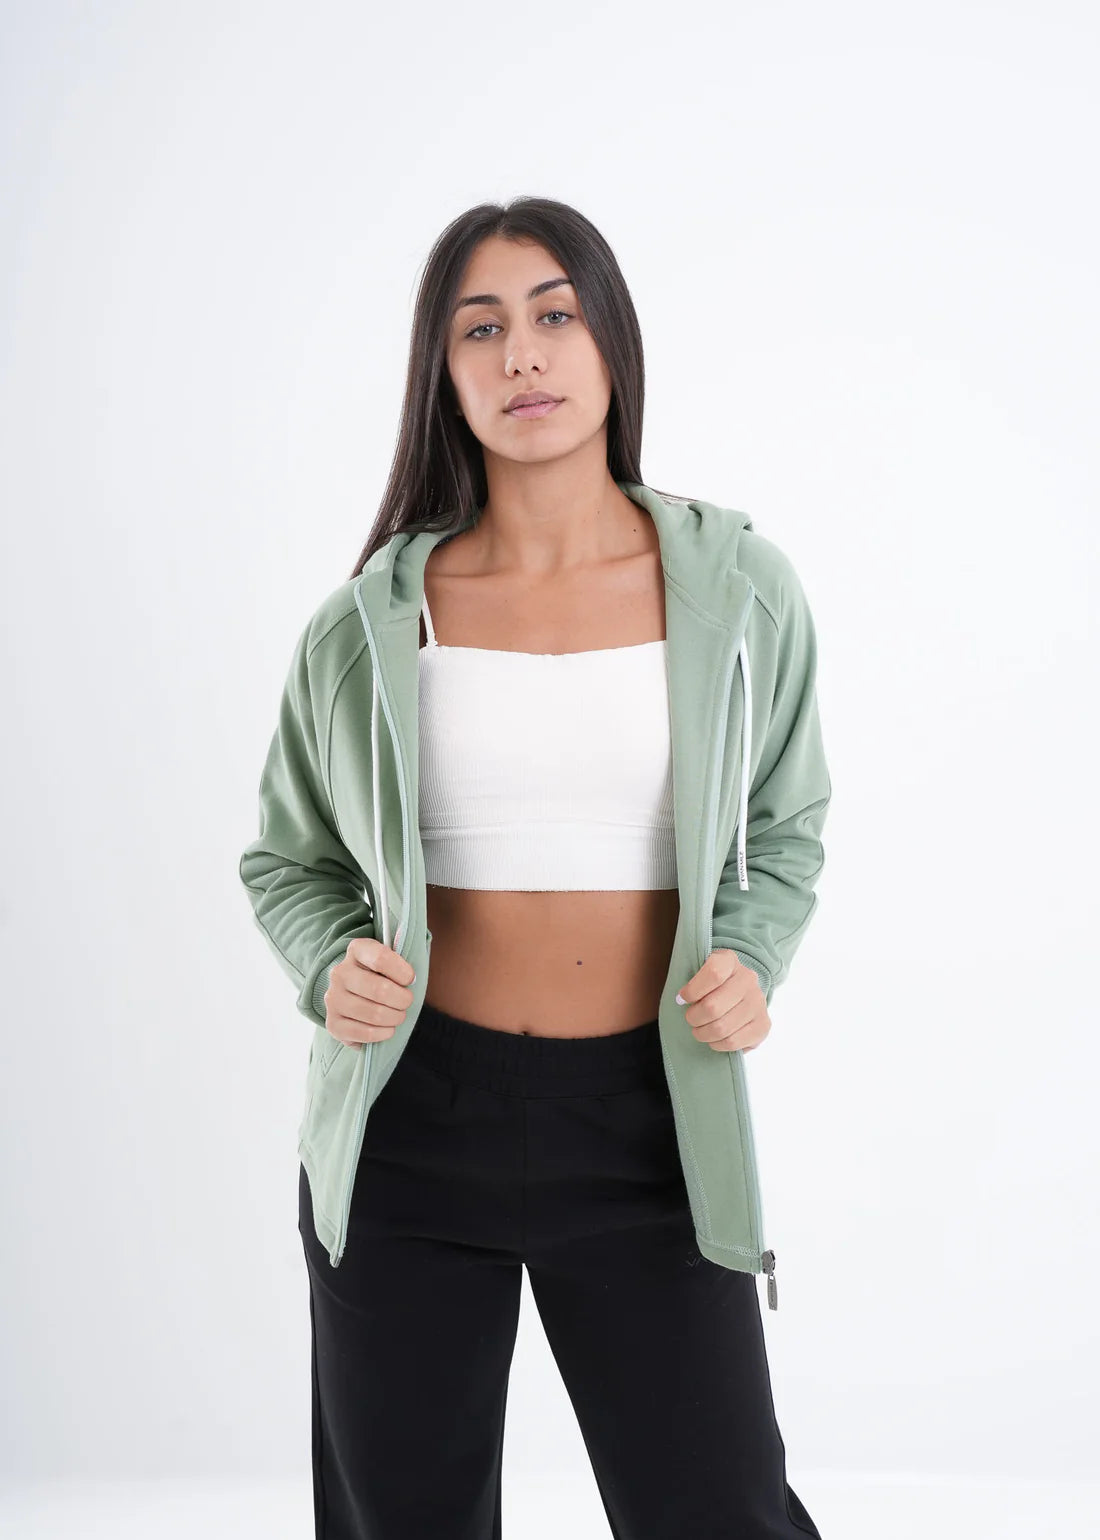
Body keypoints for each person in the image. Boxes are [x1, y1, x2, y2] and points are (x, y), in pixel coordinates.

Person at [239, 195, 831, 1540]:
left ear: (612, 340)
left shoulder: (740, 588)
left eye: (556, 314)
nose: (523, 354)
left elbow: (786, 825)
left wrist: (751, 956)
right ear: (442, 374)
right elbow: (287, 858)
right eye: (481, 328)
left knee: (720, 1509)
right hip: (409, 1118)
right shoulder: (368, 621)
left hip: (651, 1116)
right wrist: (329, 966)